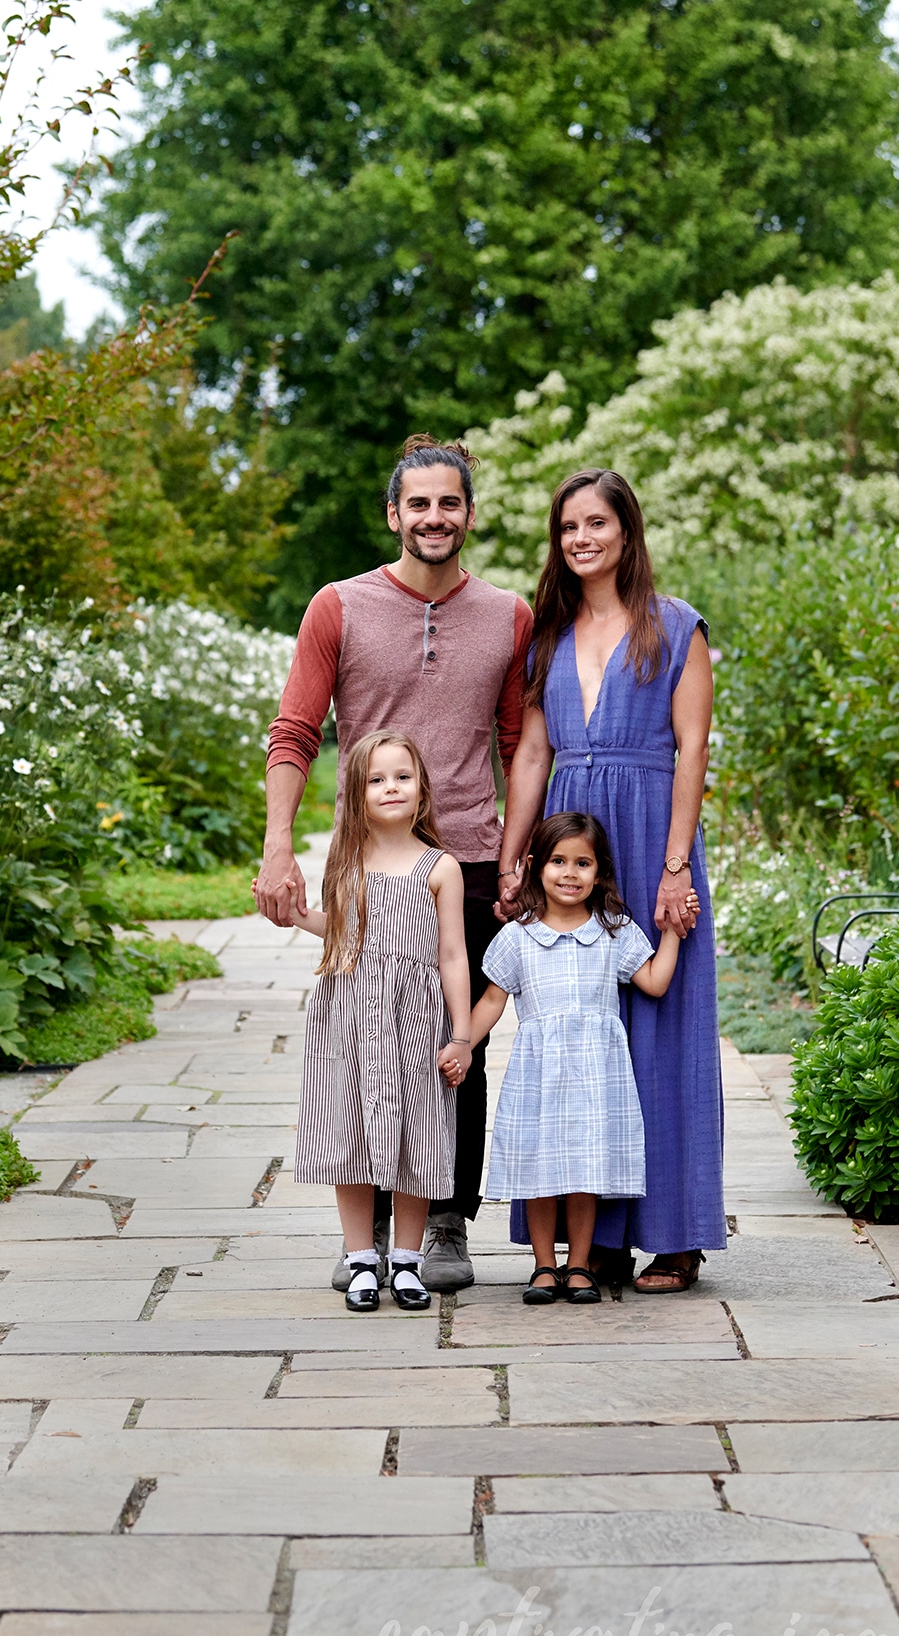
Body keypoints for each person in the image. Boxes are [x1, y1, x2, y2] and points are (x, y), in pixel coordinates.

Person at [257, 435, 533, 1292]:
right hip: (364, 861)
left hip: (473, 858)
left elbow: (522, 743)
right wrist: (278, 845)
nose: (435, 518)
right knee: (367, 1036)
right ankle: (371, 1232)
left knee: (460, 1040)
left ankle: (446, 1221)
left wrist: (518, 851)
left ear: (470, 516)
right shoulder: (337, 606)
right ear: (394, 514)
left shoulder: (510, 615)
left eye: (450, 503)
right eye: (419, 504)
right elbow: (295, 733)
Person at [497, 468, 725, 1292]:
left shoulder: (676, 627)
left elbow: (692, 750)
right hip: (571, 840)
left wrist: (673, 866)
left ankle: (674, 1235)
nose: (582, 539)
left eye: (597, 523)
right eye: (568, 528)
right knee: (575, 1033)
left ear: (627, 531)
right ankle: (592, 1243)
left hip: (650, 833)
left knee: (660, 1032)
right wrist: (516, 852)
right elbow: (530, 751)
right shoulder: (549, 634)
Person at [273, 730, 471, 1313]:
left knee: (418, 1136)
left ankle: (407, 1262)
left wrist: (461, 1034)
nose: (390, 788)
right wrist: (296, 917)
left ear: (422, 789)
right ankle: (361, 1258)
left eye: (402, 777)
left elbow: (453, 955)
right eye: (376, 779)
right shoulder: (346, 860)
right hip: (351, 1021)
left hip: (415, 1021)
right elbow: (342, 934)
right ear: (356, 794)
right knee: (352, 1133)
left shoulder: (441, 868)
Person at [470, 812, 693, 1304]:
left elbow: (654, 981)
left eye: (583, 863)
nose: (570, 873)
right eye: (558, 861)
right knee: (540, 1169)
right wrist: (462, 1043)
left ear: (600, 872)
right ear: (535, 867)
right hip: (539, 1074)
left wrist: (672, 930)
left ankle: (579, 1266)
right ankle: (543, 1266)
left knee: (585, 1170)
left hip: (597, 1075)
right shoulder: (518, 936)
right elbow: (491, 1000)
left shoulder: (613, 931)